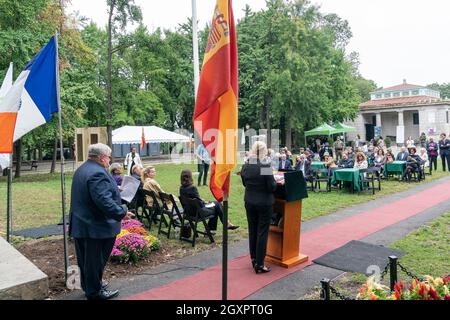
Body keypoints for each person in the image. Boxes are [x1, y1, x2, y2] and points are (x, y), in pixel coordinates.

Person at [69, 143, 134, 300]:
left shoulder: (83, 169)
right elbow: (103, 201)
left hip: (83, 224)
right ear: (102, 157)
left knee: (86, 260)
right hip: (96, 227)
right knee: (95, 261)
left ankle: (90, 285)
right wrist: (122, 212)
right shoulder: (98, 173)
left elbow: (94, 192)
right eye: (109, 157)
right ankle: (95, 293)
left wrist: (113, 189)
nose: (109, 160)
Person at [240, 141, 277, 274]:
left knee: (252, 230)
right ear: (263, 152)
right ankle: (260, 264)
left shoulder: (245, 166)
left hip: (249, 201)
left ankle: (254, 258)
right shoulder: (265, 166)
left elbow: (244, 183)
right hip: (264, 203)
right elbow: (272, 186)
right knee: (262, 232)